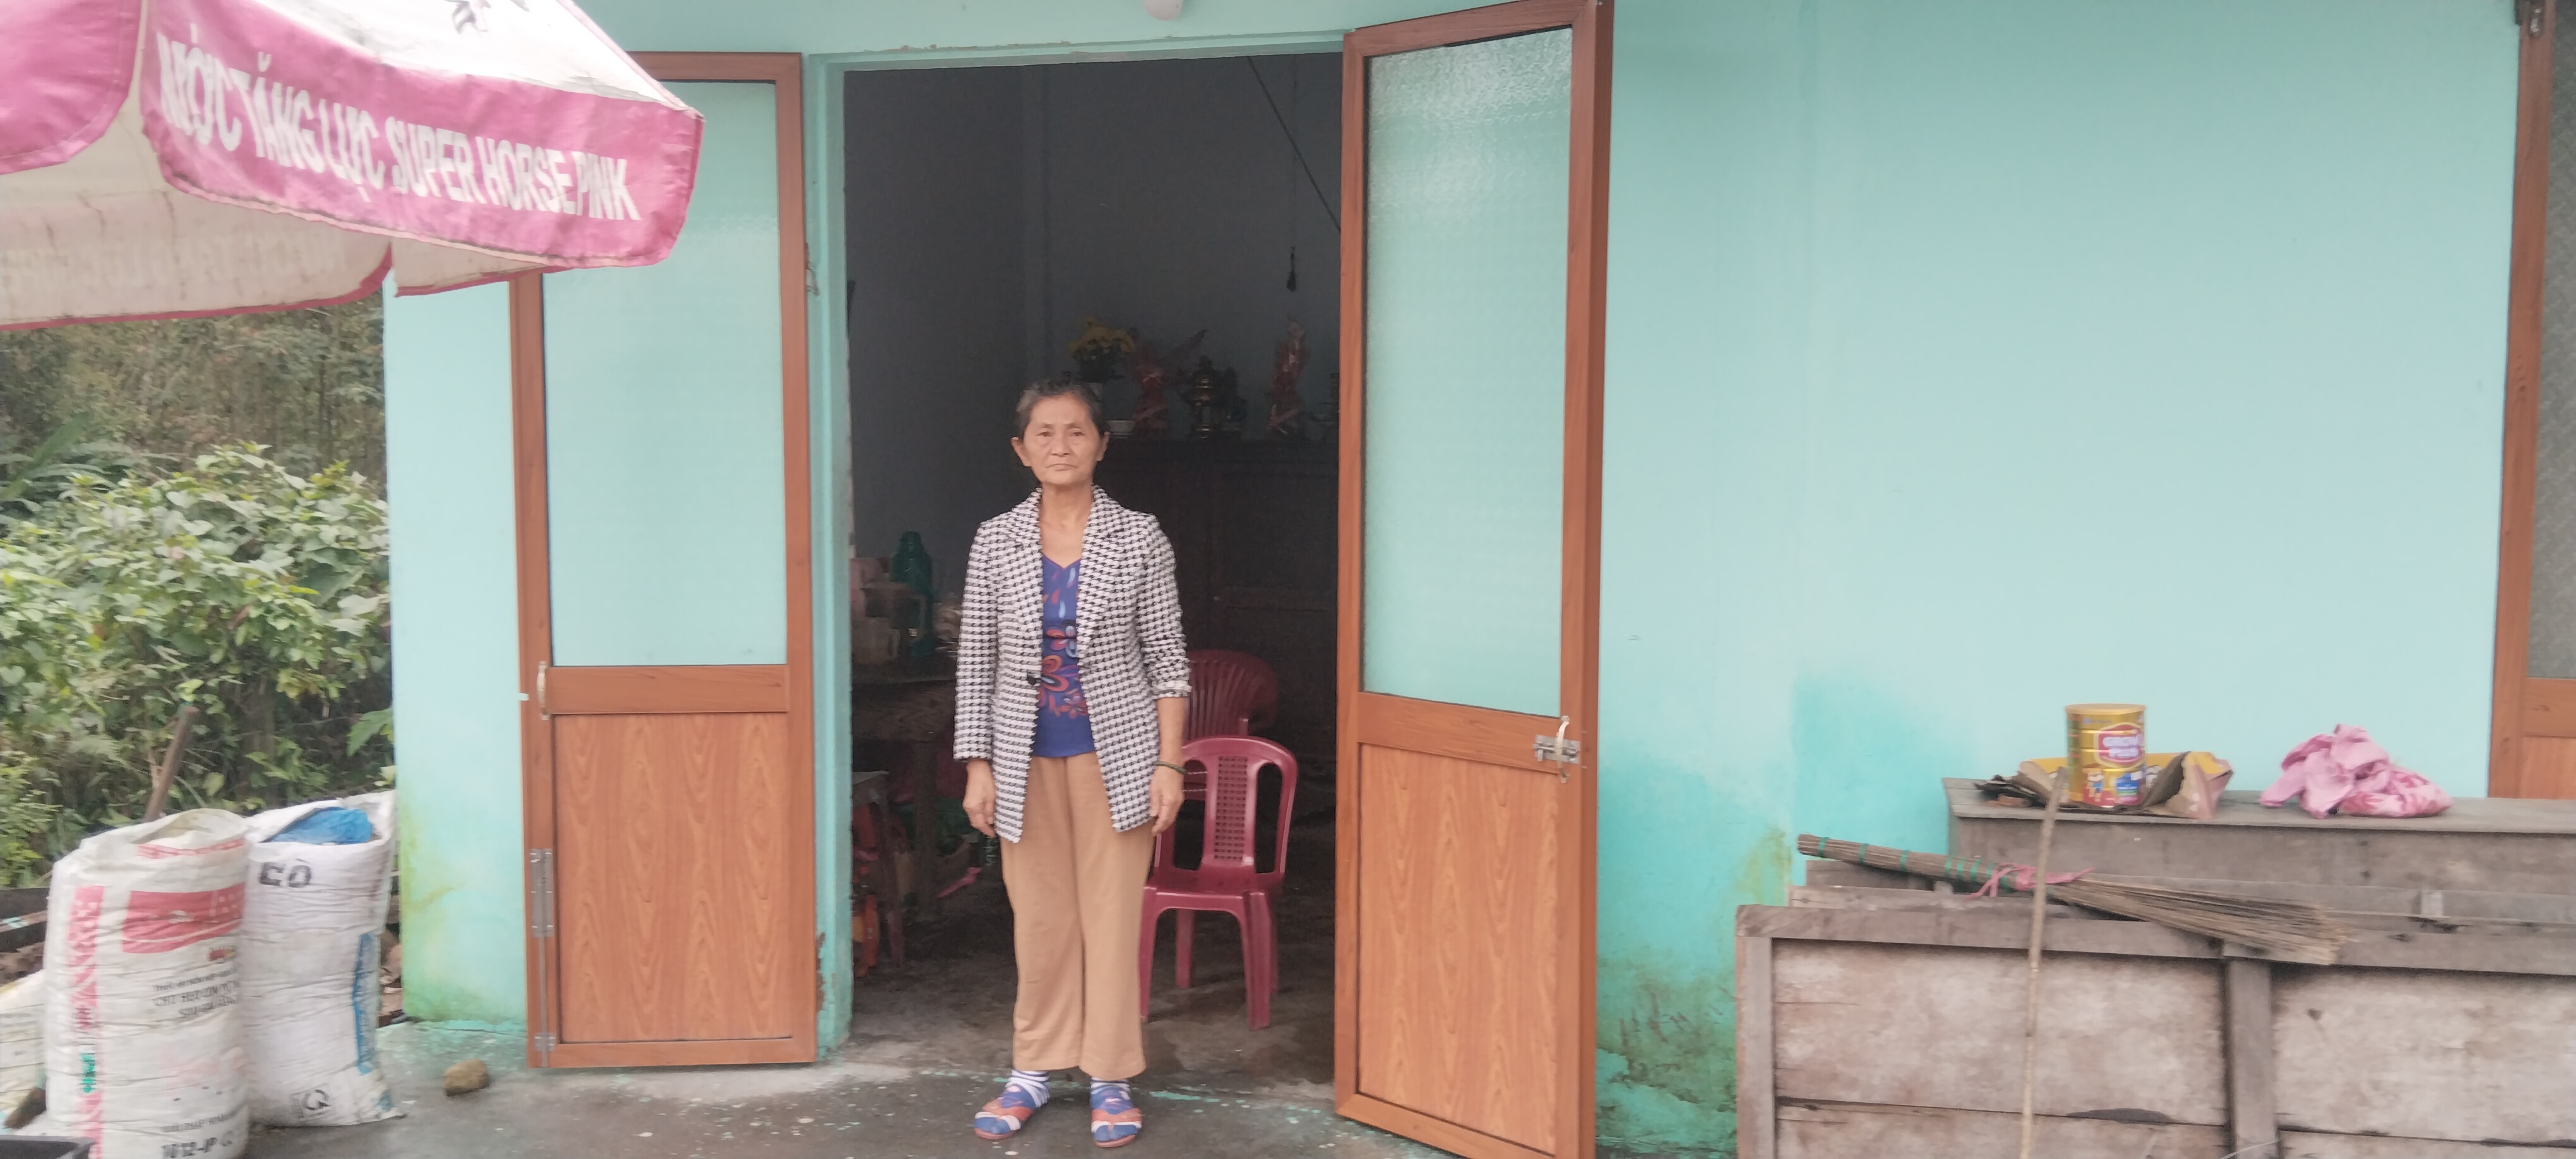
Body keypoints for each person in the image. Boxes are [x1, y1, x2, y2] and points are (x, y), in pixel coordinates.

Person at [953, 379, 1190, 1149]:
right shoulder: (995, 539)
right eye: (1045, 434)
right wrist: (977, 765)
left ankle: (1111, 1076)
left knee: (1111, 922)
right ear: (1021, 451)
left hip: (1117, 758)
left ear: (1102, 444)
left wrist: (1169, 765)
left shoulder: (1140, 537)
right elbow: (977, 662)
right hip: (1022, 760)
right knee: (1042, 922)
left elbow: (1168, 660)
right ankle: (1033, 1068)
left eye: (1077, 431)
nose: (1061, 446)